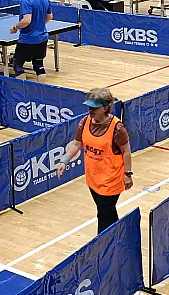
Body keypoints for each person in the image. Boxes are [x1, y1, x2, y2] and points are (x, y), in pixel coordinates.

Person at [54, 88, 133, 233]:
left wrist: (127, 174)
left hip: (111, 180)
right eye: (89, 106)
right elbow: (76, 144)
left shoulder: (117, 128)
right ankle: (118, 236)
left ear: (105, 108)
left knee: (104, 215)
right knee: (106, 213)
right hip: (93, 179)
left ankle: (104, 242)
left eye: (94, 107)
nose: (90, 110)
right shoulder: (84, 122)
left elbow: (126, 151)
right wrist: (64, 160)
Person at [9, 0, 53, 78]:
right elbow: (49, 17)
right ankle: (42, 88)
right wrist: (39, 24)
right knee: (39, 66)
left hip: (28, 39)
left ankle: (23, 89)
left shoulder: (27, 0)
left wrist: (15, 27)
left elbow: (26, 20)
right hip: (42, 38)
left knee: (17, 65)